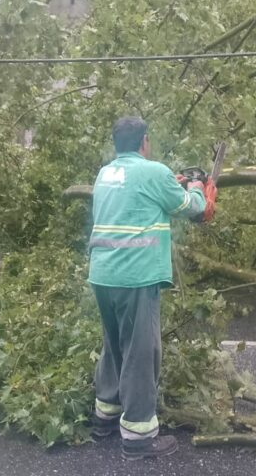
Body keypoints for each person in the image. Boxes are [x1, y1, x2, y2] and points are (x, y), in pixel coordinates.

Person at [88, 116, 206, 460]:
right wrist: (196, 186)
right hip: (135, 275)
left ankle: (104, 417)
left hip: (103, 273)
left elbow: (139, 196)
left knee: (114, 344)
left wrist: (175, 181)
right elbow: (193, 208)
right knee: (141, 353)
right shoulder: (154, 172)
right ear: (144, 141)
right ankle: (138, 437)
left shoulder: (106, 174)